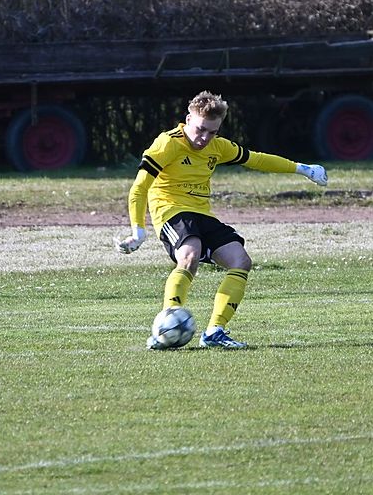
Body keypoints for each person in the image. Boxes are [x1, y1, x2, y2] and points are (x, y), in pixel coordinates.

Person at [117, 90, 328, 350]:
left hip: (202, 214)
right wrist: (138, 230)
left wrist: (302, 169)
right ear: (188, 119)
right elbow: (139, 188)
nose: (205, 138)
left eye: (212, 132)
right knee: (190, 255)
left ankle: (214, 332)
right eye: (201, 129)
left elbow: (256, 159)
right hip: (171, 211)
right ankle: (166, 327)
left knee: (240, 260)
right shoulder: (167, 143)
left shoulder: (218, 147)